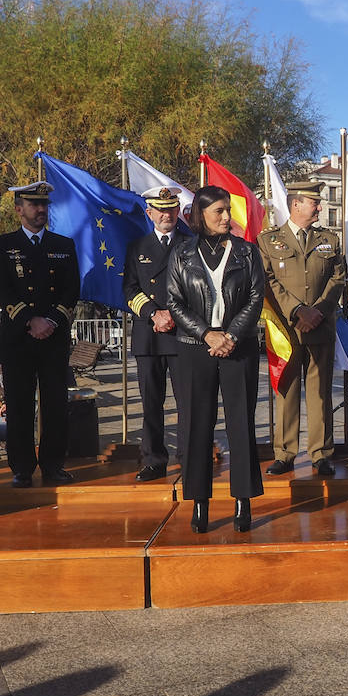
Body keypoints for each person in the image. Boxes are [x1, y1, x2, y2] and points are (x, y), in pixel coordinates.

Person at [165, 185, 267, 533]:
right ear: (201, 216)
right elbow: (175, 302)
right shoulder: (181, 254)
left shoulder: (247, 252)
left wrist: (231, 336)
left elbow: (256, 298)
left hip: (238, 346)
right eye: (218, 212)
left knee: (241, 423)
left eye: (227, 211)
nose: (227, 217)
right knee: (197, 425)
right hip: (195, 347)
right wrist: (207, 334)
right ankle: (199, 502)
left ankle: (243, 500)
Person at [0, 181, 80, 488]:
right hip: (19, 337)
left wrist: (51, 321)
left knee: (54, 402)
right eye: (34, 205)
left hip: (53, 337)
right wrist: (31, 321)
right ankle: (22, 467)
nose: (41, 210)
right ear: (19, 209)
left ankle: (53, 464)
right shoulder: (2, 245)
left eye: (44, 205)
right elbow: (1, 290)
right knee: (19, 403)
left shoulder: (63, 245)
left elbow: (71, 291)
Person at [258, 185, 348, 477]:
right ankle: (284, 453)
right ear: (296, 204)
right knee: (286, 390)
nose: (319, 208)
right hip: (286, 329)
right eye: (314, 203)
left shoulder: (329, 240)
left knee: (320, 392)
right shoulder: (269, 240)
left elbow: (339, 279)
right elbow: (267, 280)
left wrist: (317, 311)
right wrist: (298, 311)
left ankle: (321, 454)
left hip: (320, 326)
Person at [122, 186, 191, 481]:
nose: (167, 215)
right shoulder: (137, 247)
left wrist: (172, 315)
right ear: (149, 213)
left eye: (172, 209)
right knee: (151, 402)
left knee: (188, 402)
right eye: (161, 210)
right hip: (149, 335)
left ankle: (190, 457)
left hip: (183, 334)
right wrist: (154, 313)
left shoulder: (191, 245)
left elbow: (198, 289)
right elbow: (129, 289)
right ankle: (153, 460)